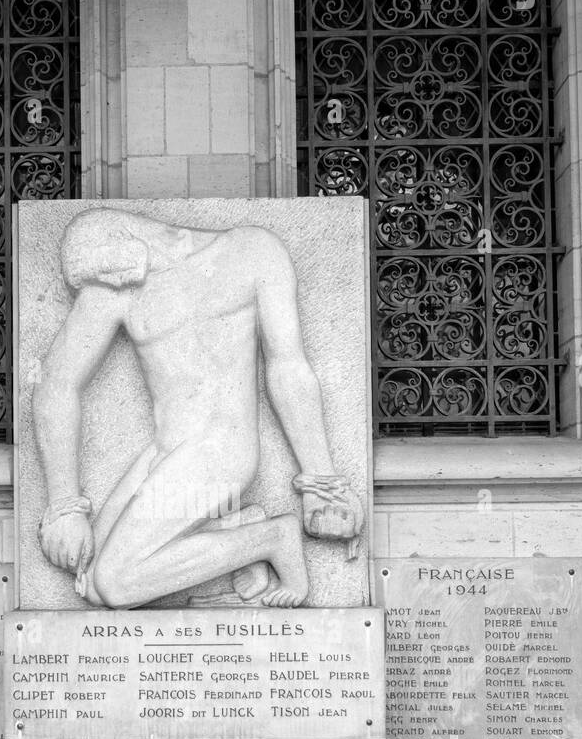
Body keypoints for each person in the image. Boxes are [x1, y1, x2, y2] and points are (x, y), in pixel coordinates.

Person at [33, 208, 363, 608]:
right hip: (165, 452)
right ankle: (233, 529)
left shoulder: (254, 250)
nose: (97, 286)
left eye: (96, 274)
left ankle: (272, 539)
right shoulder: (116, 283)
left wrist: (321, 481)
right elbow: (57, 383)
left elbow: (287, 366)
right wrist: (64, 506)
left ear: (120, 242)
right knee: (94, 586)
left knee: (117, 582)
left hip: (221, 451)